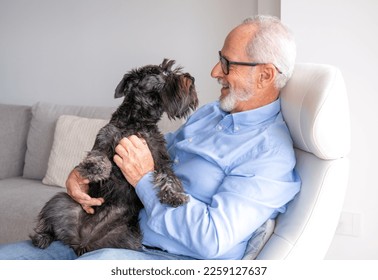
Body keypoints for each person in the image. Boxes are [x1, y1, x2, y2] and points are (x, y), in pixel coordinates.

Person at [0, 15, 300, 260]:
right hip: (112, 228)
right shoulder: (210, 114)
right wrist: (82, 173)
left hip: (161, 257)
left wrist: (143, 178)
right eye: (218, 59)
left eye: (227, 64)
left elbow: (212, 240)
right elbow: (156, 149)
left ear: (265, 75)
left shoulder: (270, 154)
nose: (214, 72)